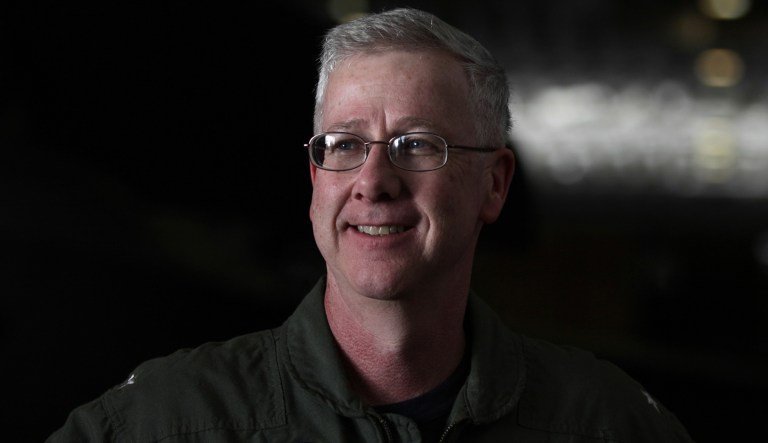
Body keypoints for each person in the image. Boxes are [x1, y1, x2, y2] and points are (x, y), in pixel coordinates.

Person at [47, 7, 694, 442]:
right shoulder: (169, 421)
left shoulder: (605, 422)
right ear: (315, 179)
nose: (374, 180)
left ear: (493, 184)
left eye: (417, 145)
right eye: (345, 144)